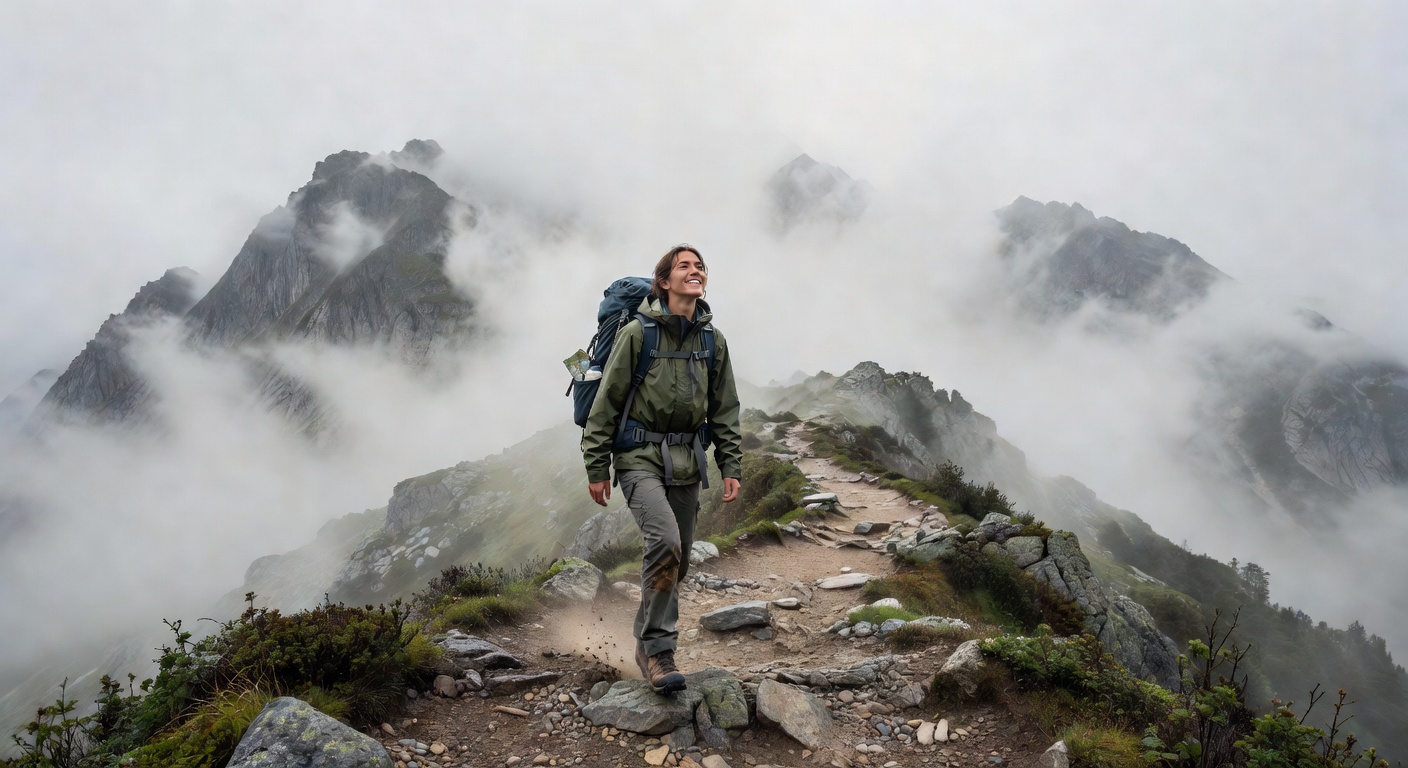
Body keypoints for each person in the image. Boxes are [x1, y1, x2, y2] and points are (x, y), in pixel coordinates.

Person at [582, 244, 743, 694]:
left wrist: (731, 463)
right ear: (664, 282)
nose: (695, 271)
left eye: (700, 266)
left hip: (687, 460)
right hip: (638, 457)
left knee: (680, 559)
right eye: (683, 266)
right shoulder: (639, 334)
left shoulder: (712, 341)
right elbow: (607, 403)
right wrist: (597, 465)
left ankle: (645, 638)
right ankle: (657, 651)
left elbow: (725, 409)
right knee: (666, 541)